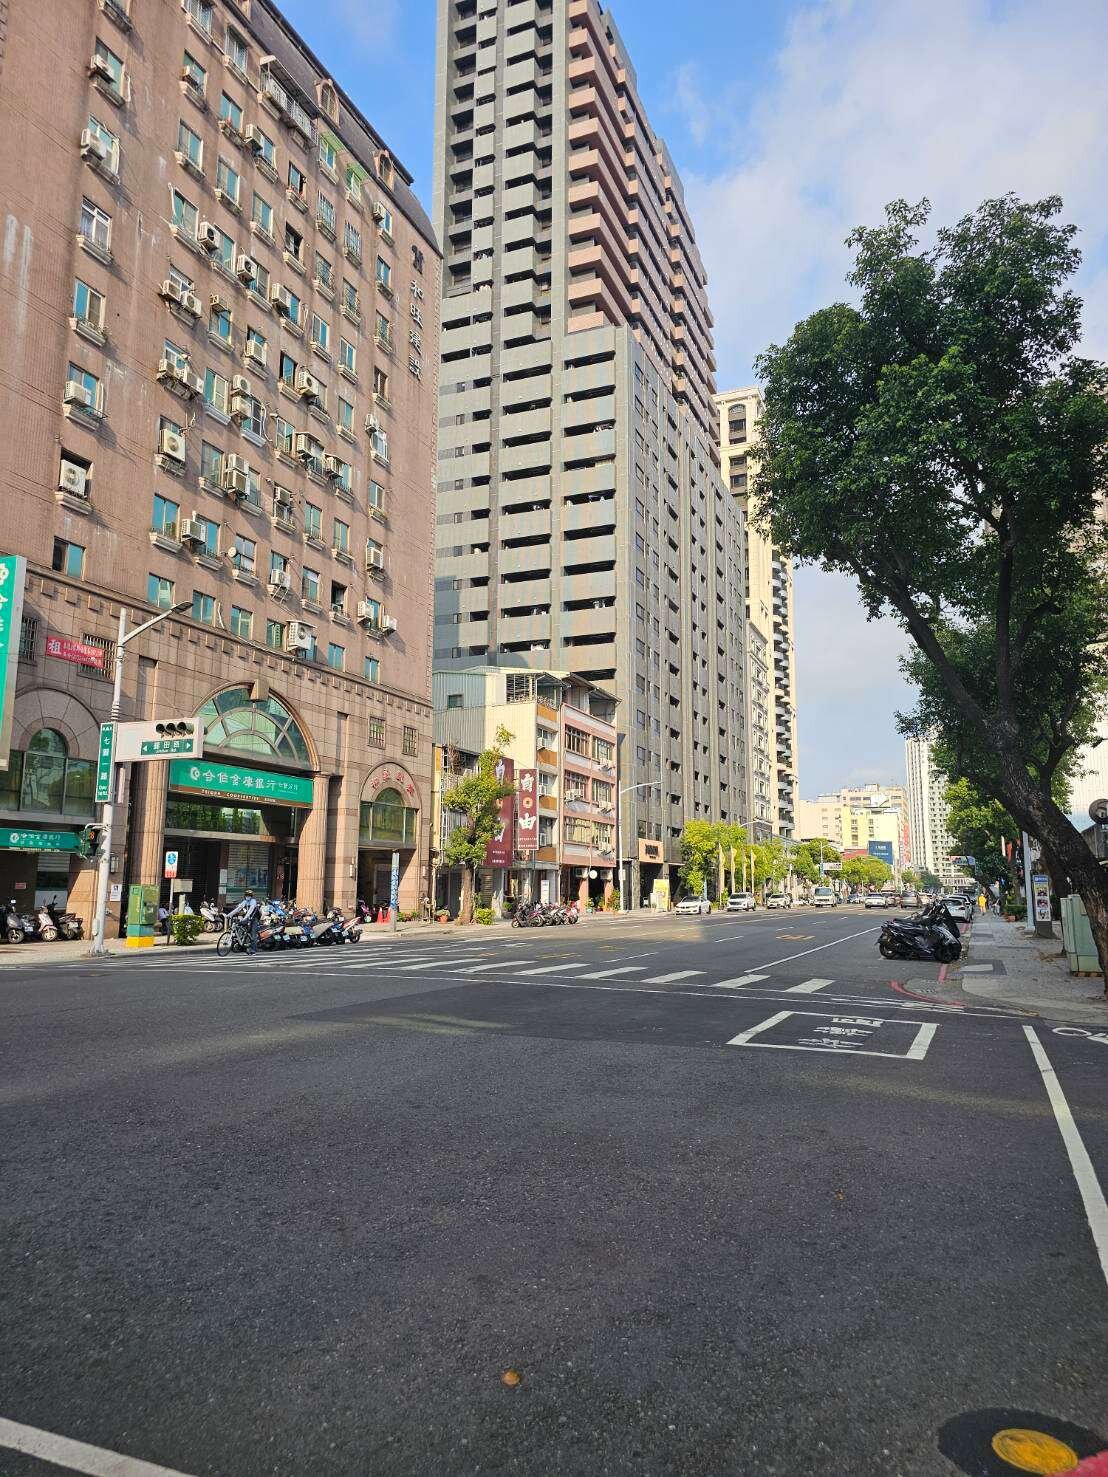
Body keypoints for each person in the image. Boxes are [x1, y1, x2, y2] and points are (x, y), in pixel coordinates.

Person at [226, 889, 261, 955]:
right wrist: (229, 915)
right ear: (245, 896)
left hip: (254, 919)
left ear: (251, 896)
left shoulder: (253, 901)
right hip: (247, 919)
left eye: (249, 895)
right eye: (247, 895)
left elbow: (251, 910)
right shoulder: (245, 902)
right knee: (238, 926)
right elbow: (238, 909)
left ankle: (253, 950)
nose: (248, 896)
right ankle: (241, 943)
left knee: (253, 935)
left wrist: (245, 918)